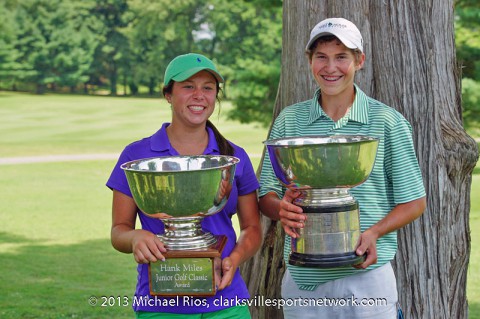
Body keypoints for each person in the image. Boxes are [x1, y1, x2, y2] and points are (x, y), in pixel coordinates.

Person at [258, 17, 426, 319]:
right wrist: (279, 208)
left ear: (359, 61)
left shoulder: (387, 121)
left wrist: (375, 232)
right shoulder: (289, 120)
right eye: (321, 56)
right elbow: (266, 193)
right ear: (310, 61)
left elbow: (414, 201)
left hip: (367, 276)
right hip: (304, 280)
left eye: (341, 57)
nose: (330, 67)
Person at [107, 53, 262, 318]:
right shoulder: (137, 155)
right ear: (168, 94)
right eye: (188, 86)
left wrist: (234, 260)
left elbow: (252, 228)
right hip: (161, 303)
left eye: (208, 88)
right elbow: (118, 232)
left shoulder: (234, 157)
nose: (199, 95)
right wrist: (135, 237)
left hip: (226, 299)